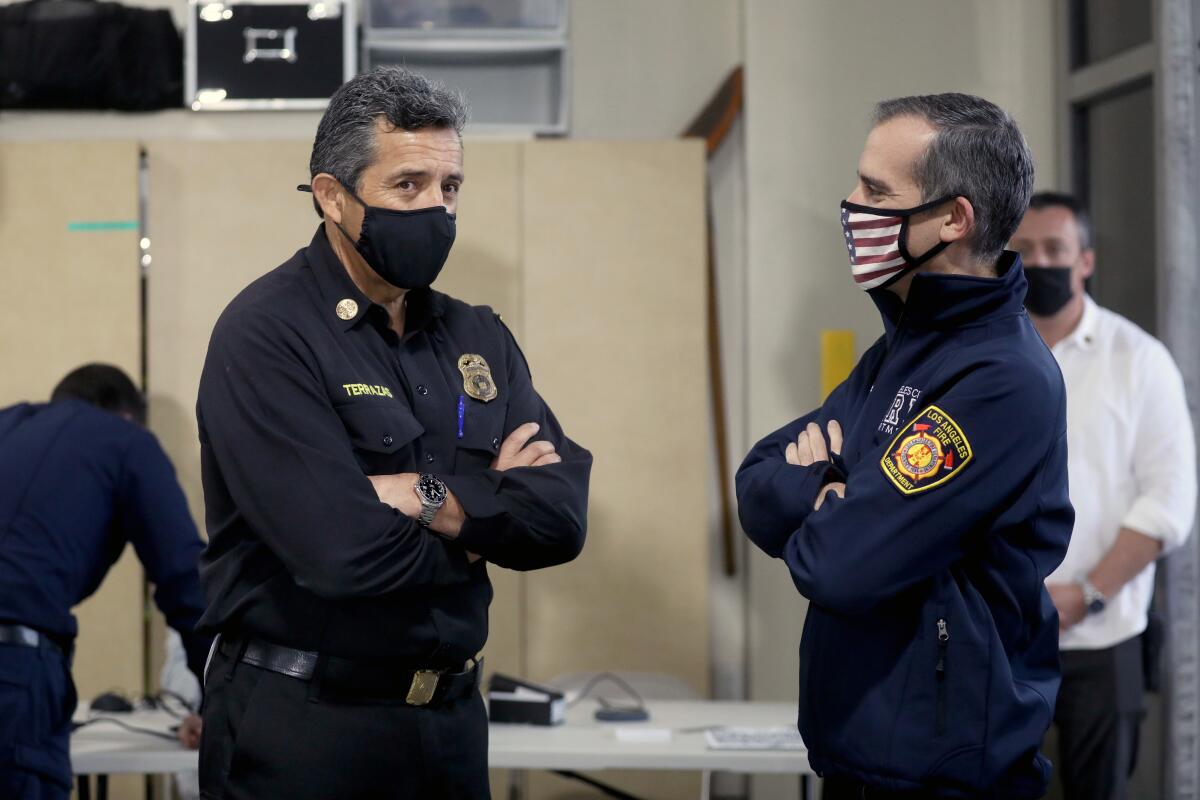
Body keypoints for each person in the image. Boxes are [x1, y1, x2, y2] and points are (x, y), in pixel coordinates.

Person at [195, 66, 592, 799]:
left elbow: (560, 518)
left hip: (449, 726)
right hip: (306, 728)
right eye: (407, 186)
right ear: (331, 196)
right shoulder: (268, 334)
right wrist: (485, 527)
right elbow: (341, 554)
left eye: (450, 189)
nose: (436, 210)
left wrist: (431, 498)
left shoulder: (479, 338)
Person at [736, 94, 1073, 799]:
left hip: (945, 777)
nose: (851, 204)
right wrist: (831, 494)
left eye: (876, 191)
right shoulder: (903, 350)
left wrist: (827, 487)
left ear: (953, 219)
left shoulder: (1001, 378)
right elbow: (757, 478)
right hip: (859, 762)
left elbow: (842, 565)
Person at [1011, 192, 1197, 800]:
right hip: (1000, 638)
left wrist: (1084, 596)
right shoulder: (985, 359)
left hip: (1104, 637)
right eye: (1024, 250)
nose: (1040, 262)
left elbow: (1167, 503)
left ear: (1085, 260)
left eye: (1055, 250)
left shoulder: (1139, 360)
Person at [0, 364, 211, 799]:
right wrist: (222, 706)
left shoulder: (9, 424)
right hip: (13, 670)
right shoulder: (126, 441)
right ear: (127, 414)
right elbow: (185, 582)